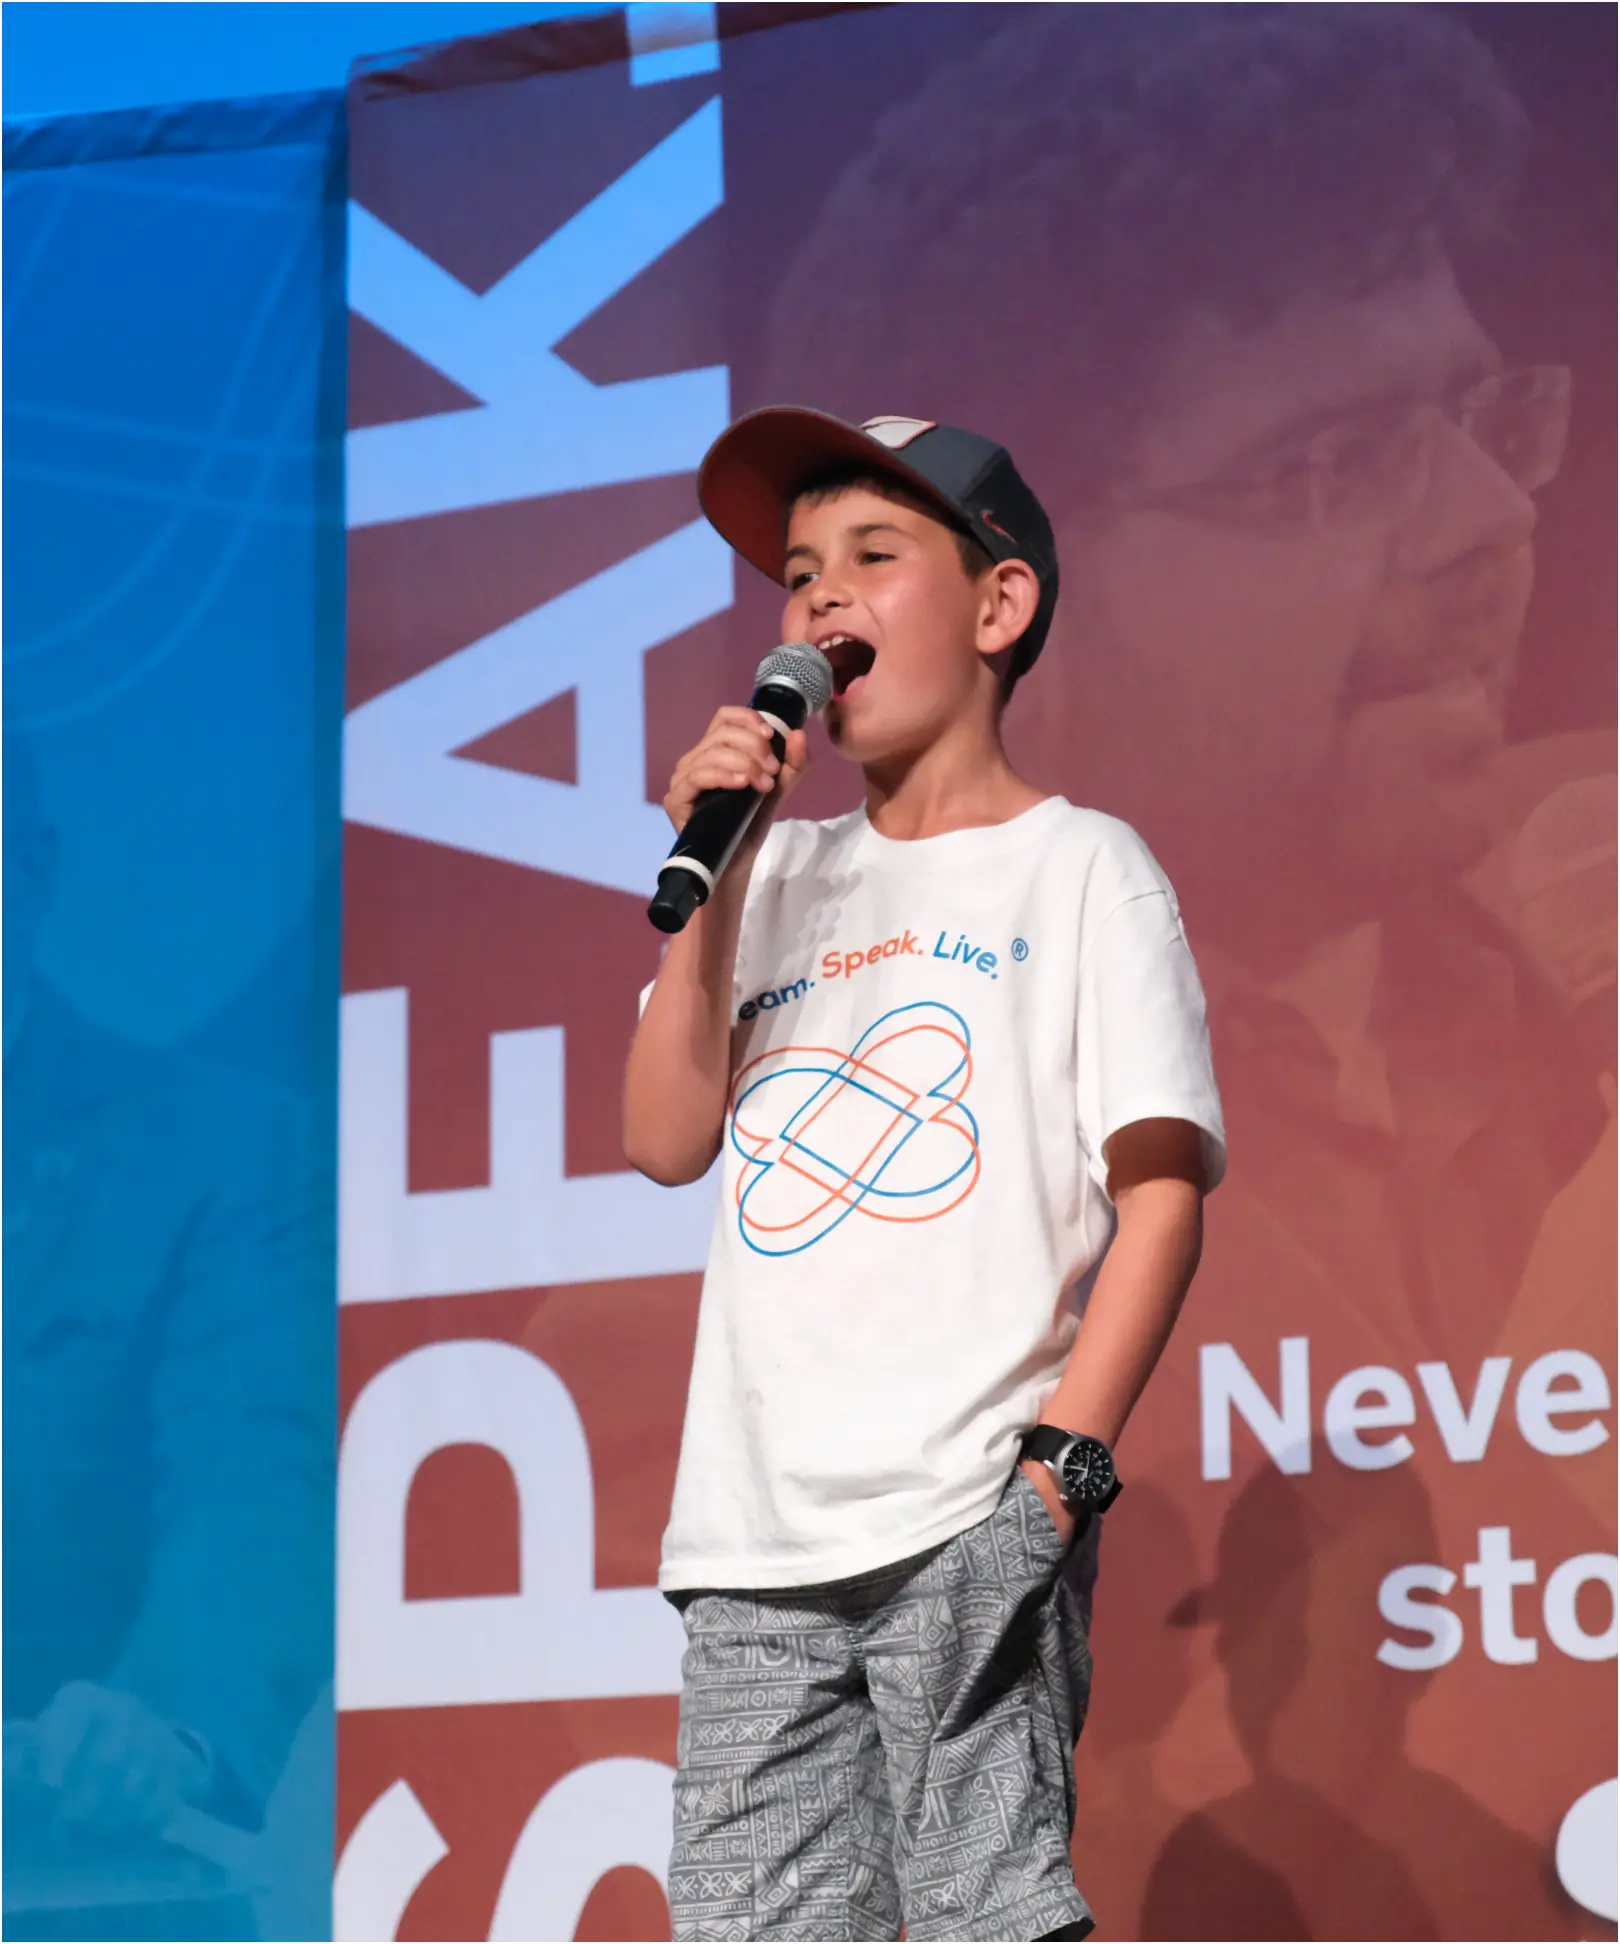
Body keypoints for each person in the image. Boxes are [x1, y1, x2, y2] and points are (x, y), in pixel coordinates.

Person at [624, 408, 1226, 1942]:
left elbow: (1160, 1187)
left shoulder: (1080, 866)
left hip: (970, 1506)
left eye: (873, 559)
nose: (820, 604)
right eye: (798, 572)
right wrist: (725, 871)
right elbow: (663, 1138)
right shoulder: (780, 876)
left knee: (981, 1916)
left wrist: (1058, 1478)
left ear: (997, 605)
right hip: (755, 1546)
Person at [3, 735, 332, 1914]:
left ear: (28, 870)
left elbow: (252, 1469)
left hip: (60, 1877)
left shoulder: (215, 1150)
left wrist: (166, 1715)